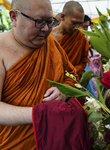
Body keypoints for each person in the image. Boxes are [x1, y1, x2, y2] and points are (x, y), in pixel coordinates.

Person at [0, 0, 90, 149]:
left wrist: (63, 91)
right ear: (13, 17)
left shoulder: (50, 43)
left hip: (55, 138)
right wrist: (40, 114)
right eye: (39, 22)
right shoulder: (2, 49)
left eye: (50, 21)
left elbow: (71, 75)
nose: (46, 29)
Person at [52, 1, 90, 76]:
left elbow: (84, 61)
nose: (77, 27)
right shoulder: (48, 37)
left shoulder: (80, 36)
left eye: (79, 23)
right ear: (63, 17)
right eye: (74, 22)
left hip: (71, 81)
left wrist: (72, 72)